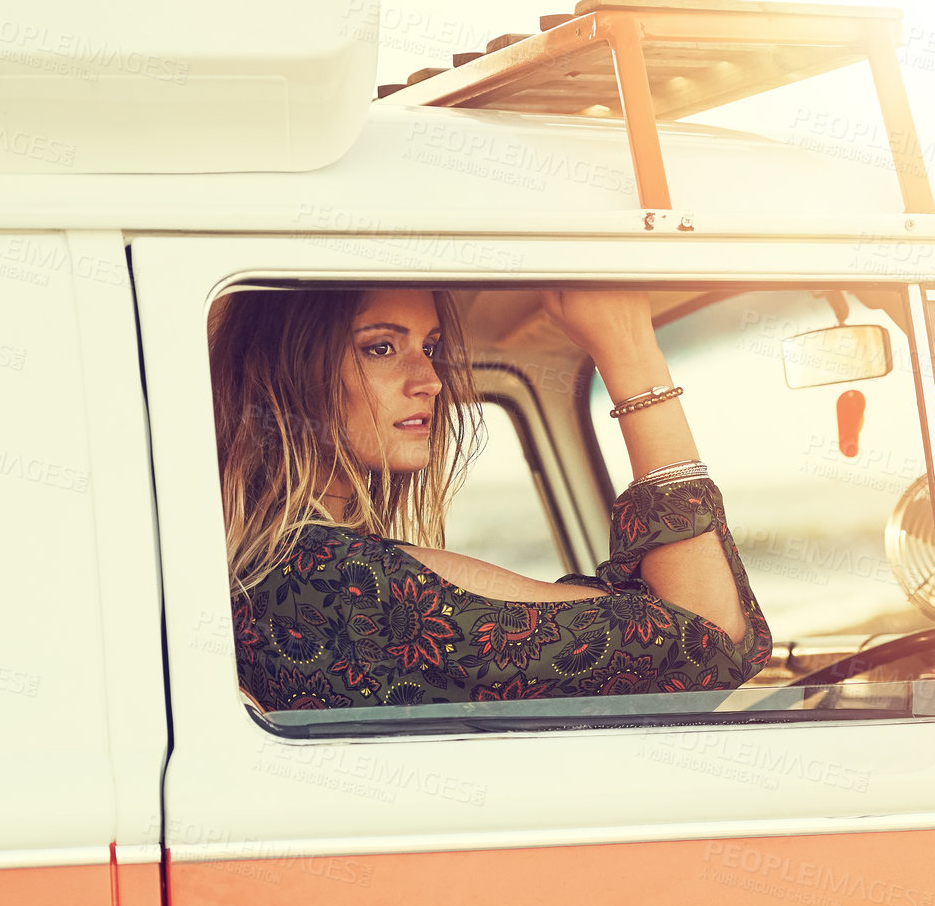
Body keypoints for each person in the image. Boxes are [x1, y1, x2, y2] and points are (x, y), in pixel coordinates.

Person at [209, 287, 771, 710]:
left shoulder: (271, 574)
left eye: (429, 347)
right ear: (283, 374)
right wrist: (630, 351)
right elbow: (711, 639)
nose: (428, 379)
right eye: (380, 348)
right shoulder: (351, 584)